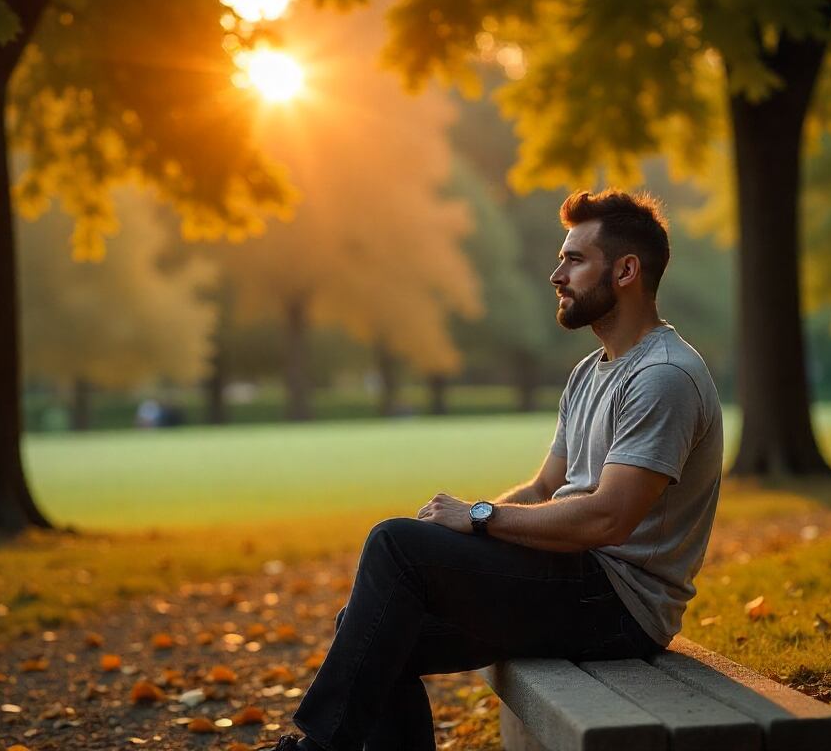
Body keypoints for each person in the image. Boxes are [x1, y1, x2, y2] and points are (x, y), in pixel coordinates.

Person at [262, 189, 724, 751]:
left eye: (575, 260)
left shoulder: (663, 376)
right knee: (378, 625)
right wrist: (453, 532)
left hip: (619, 607)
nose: (557, 275)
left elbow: (608, 519)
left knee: (393, 546)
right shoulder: (590, 372)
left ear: (627, 270)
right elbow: (542, 488)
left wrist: (479, 517)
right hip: (574, 581)